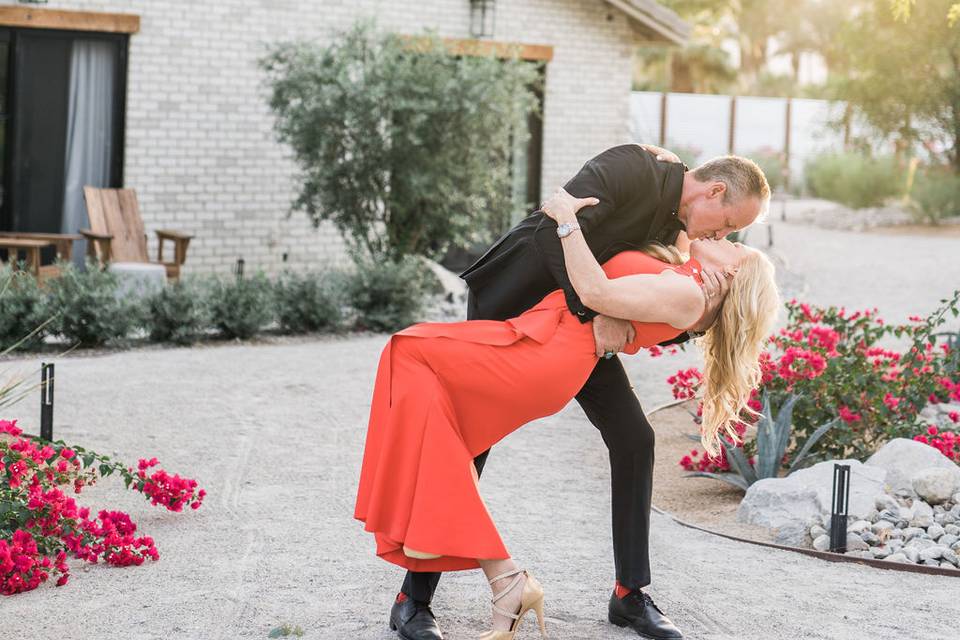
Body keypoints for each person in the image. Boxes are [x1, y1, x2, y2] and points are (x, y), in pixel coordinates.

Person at [382, 146, 770, 640]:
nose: (722, 237)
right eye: (727, 224)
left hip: (576, 339)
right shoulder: (631, 167)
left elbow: (654, 299)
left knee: (635, 439)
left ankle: (630, 595)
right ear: (714, 191)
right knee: (469, 444)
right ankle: (413, 600)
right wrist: (595, 314)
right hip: (512, 307)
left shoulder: (683, 232)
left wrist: (712, 307)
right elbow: (552, 228)